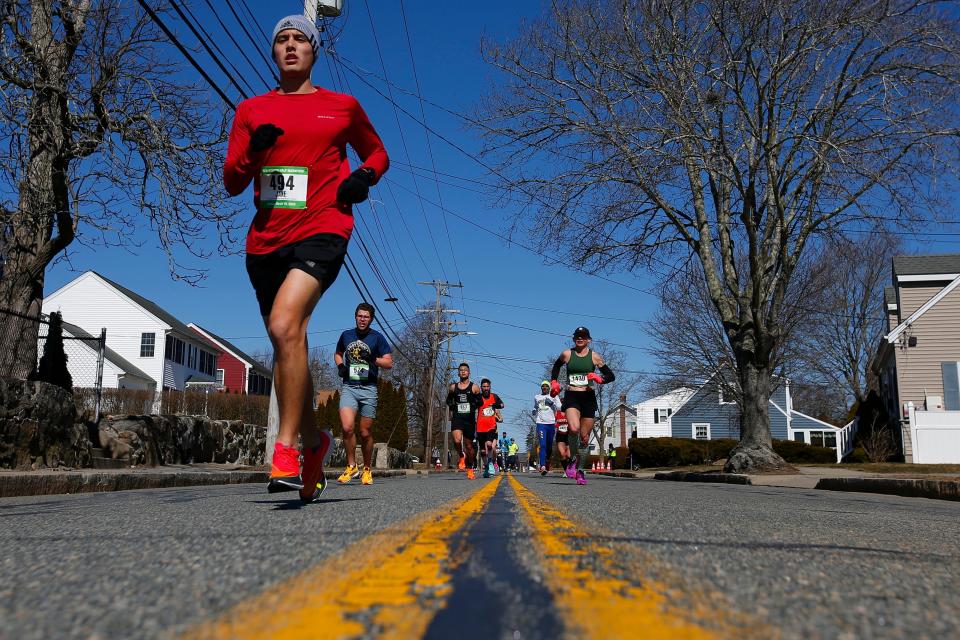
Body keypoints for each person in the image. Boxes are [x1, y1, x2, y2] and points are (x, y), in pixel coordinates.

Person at [224, 15, 388, 500]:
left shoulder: (341, 107)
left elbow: (377, 152)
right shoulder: (252, 110)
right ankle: (316, 443)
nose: (291, 46)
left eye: (300, 39)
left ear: (314, 51)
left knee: (282, 325)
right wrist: (253, 151)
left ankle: (287, 446)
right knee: (287, 339)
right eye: (282, 40)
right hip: (266, 241)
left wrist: (363, 178)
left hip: (324, 228)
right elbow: (233, 182)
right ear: (273, 54)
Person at [334, 303, 393, 485]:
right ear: (355, 317)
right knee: (346, 427)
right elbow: (338, 353)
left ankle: (367, 468)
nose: (362, 319)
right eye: (359, 316)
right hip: (350, 387)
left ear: (371, 319)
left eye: (366, 317)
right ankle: (352, 466)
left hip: (368, 389)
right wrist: (341, 366)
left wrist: (373, 359)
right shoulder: (346, 335)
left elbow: (389, 363)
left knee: (365, 432)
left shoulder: (377, 338)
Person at [550, 326, 616, 486]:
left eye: (583, 336)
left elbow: (611, 376)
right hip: (572, 395)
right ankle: (572, 459)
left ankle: (580, 471)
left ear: (588, 340)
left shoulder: (595, 357)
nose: (580, 338)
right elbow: (556, 366)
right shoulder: (567, 354)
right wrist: (554, 382)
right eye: (577, 336)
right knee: (573, 429)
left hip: (588, 397)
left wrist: (600, 379)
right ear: (574, 339)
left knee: (585, 438)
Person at [445, 363, 481, 479]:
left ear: (469, 373)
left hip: (469, 420)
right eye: (461, 370)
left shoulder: (474, 387)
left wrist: (474, 405)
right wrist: (452, 408)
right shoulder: (453, 387)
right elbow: (449, 401)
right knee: (456, 440)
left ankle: (470, 468)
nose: (463, 372)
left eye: (465, 370)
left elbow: (480, 402)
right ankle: (461, 455)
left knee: (469, 446)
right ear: (458, 373)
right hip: (458, 418)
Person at [475, 378, 504, 478]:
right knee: (483, 451)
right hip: (480, 427)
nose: (486, 388)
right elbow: (472, 405)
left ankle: (491, 462)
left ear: (490, 387)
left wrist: (496, 405)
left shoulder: (494, 396)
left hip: (491, 426)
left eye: (488, 386)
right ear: (481, 387)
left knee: (490, 444)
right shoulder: (478, 397)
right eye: (484, 387)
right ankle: (486, 466)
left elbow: (502, 404)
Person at [533, 380, 562, 475]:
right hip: (541, 423)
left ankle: (547, 460)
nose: (544, 387)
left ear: (549, 388)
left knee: (549, 446)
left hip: (551, 423)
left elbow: (560, 407)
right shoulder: (537, 397)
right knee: (543, 445)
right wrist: (534, 410)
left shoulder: (554, 396)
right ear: (541, 387)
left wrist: (552, 403)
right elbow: (535, 407)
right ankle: (542, 466)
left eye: (546, 386)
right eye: (543, 386)